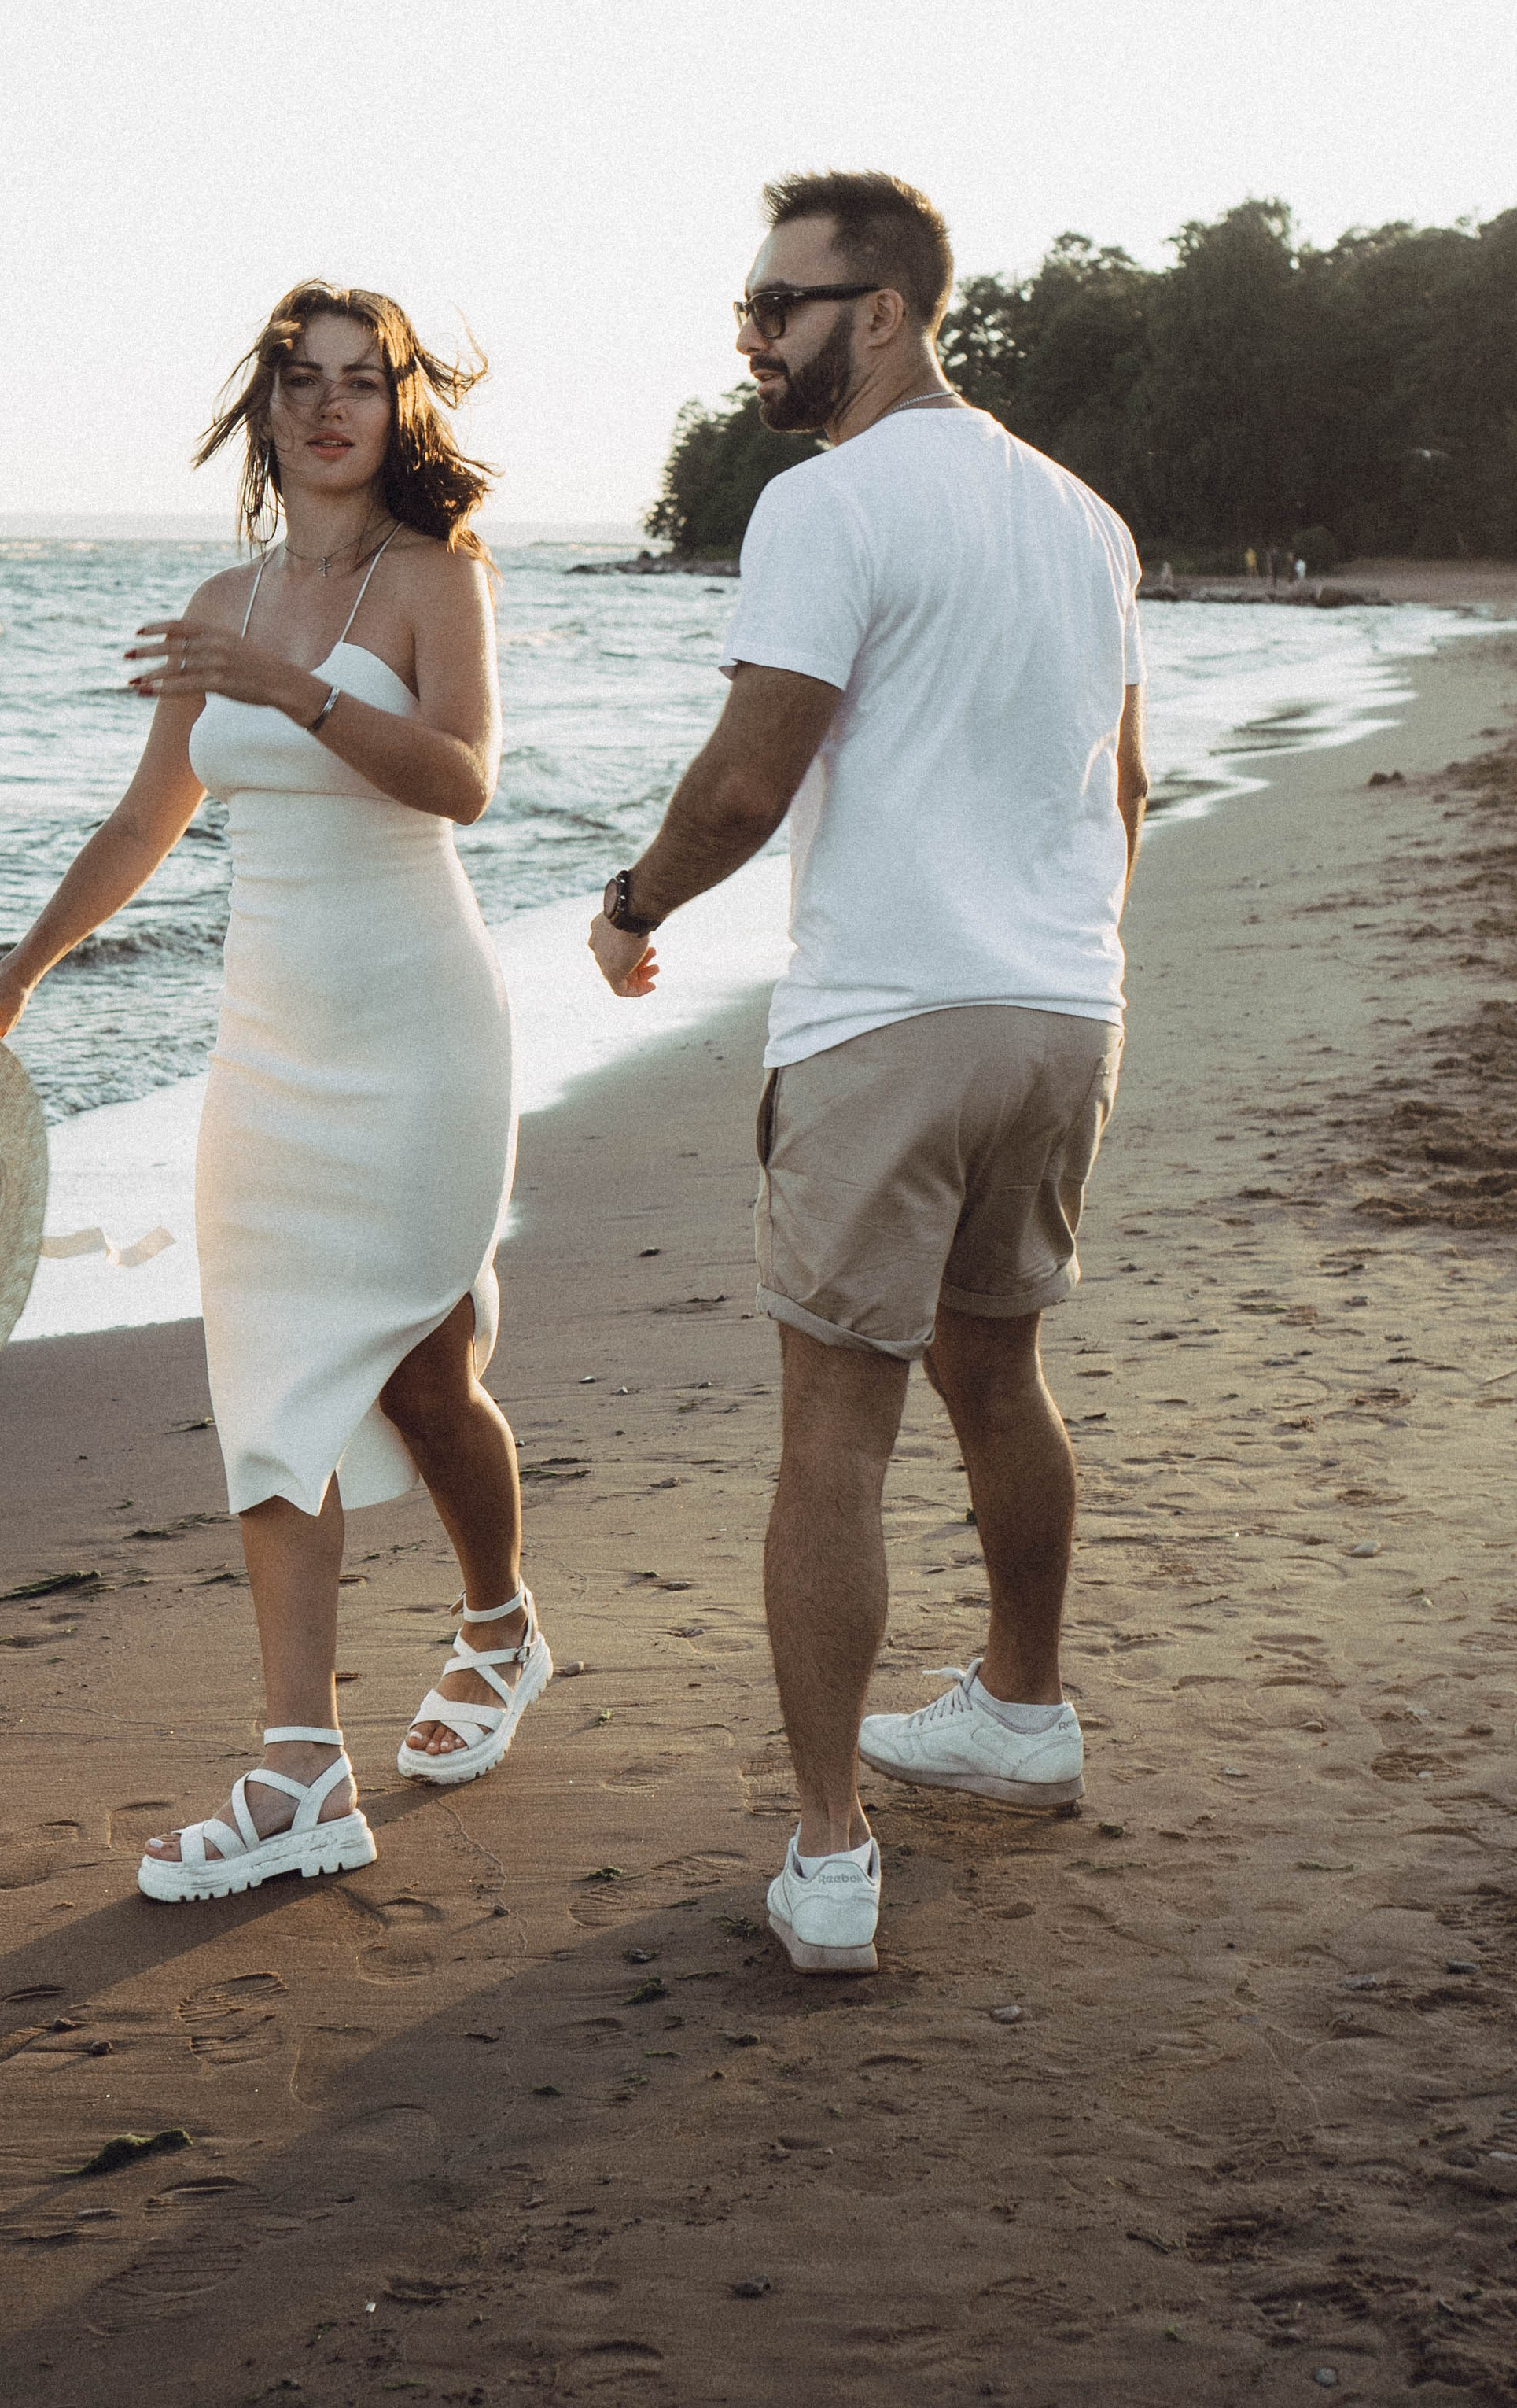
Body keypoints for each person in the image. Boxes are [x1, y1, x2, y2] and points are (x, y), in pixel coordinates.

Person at [587, 171, 1147, 1975]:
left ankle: (829, 1853)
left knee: (831, 1429)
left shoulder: (822, 503)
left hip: (890, 1019)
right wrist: (1053, 952)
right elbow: (1116, 794)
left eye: (778, 304)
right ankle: (1024, 1710)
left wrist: (626, 904)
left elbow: (748, 782)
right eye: (746, 307)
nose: (750, 336)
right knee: (1000, 1369)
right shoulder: (1082, 518)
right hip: (1060, 1012)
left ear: (884, 310)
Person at [0, 283, 549, 1905]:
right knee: (272, 1379)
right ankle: (300, 1767)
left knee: (427, 1378)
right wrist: (19, 973)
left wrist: (293, 690)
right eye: (304, 382)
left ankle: (499, 1626)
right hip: (269, 1047)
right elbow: (145, 823)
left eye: (364, 384)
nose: (332, 408)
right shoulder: (221, 599)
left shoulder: (433, 578)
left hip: (420, 1028)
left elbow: (464, 781)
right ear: (266, 408)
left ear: (397, 411)